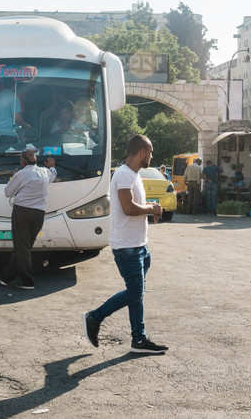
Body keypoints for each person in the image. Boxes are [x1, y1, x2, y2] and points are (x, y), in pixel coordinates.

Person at [83, 135, 168, 354]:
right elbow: (129, 208)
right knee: (135, 293)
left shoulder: (133, 175)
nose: (151, 156)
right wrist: (151, 209)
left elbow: (133, 206)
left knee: (136, 293)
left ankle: (138, 339)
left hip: (139, 245)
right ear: (141, 152)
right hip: (127, 248)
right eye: (150, 152)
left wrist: (151, 208)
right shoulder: (123, 175)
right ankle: (95, 317)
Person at [0, 149, 56, 290]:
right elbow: (53, 174)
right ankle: (6, 277)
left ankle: (27, 281)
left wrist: (13, 177)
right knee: (24, 247)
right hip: (39, 214)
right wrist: (52, 165)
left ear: (23, 161)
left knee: (22, 248)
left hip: (22, 213)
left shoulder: (21, 174)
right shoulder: (44, 172)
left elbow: (7, 192)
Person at [0, 79, 26, 145]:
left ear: (4, 85)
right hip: (11, 137)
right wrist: (27, 126)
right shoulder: (13, 97)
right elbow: (17, 119)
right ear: (14, 85)